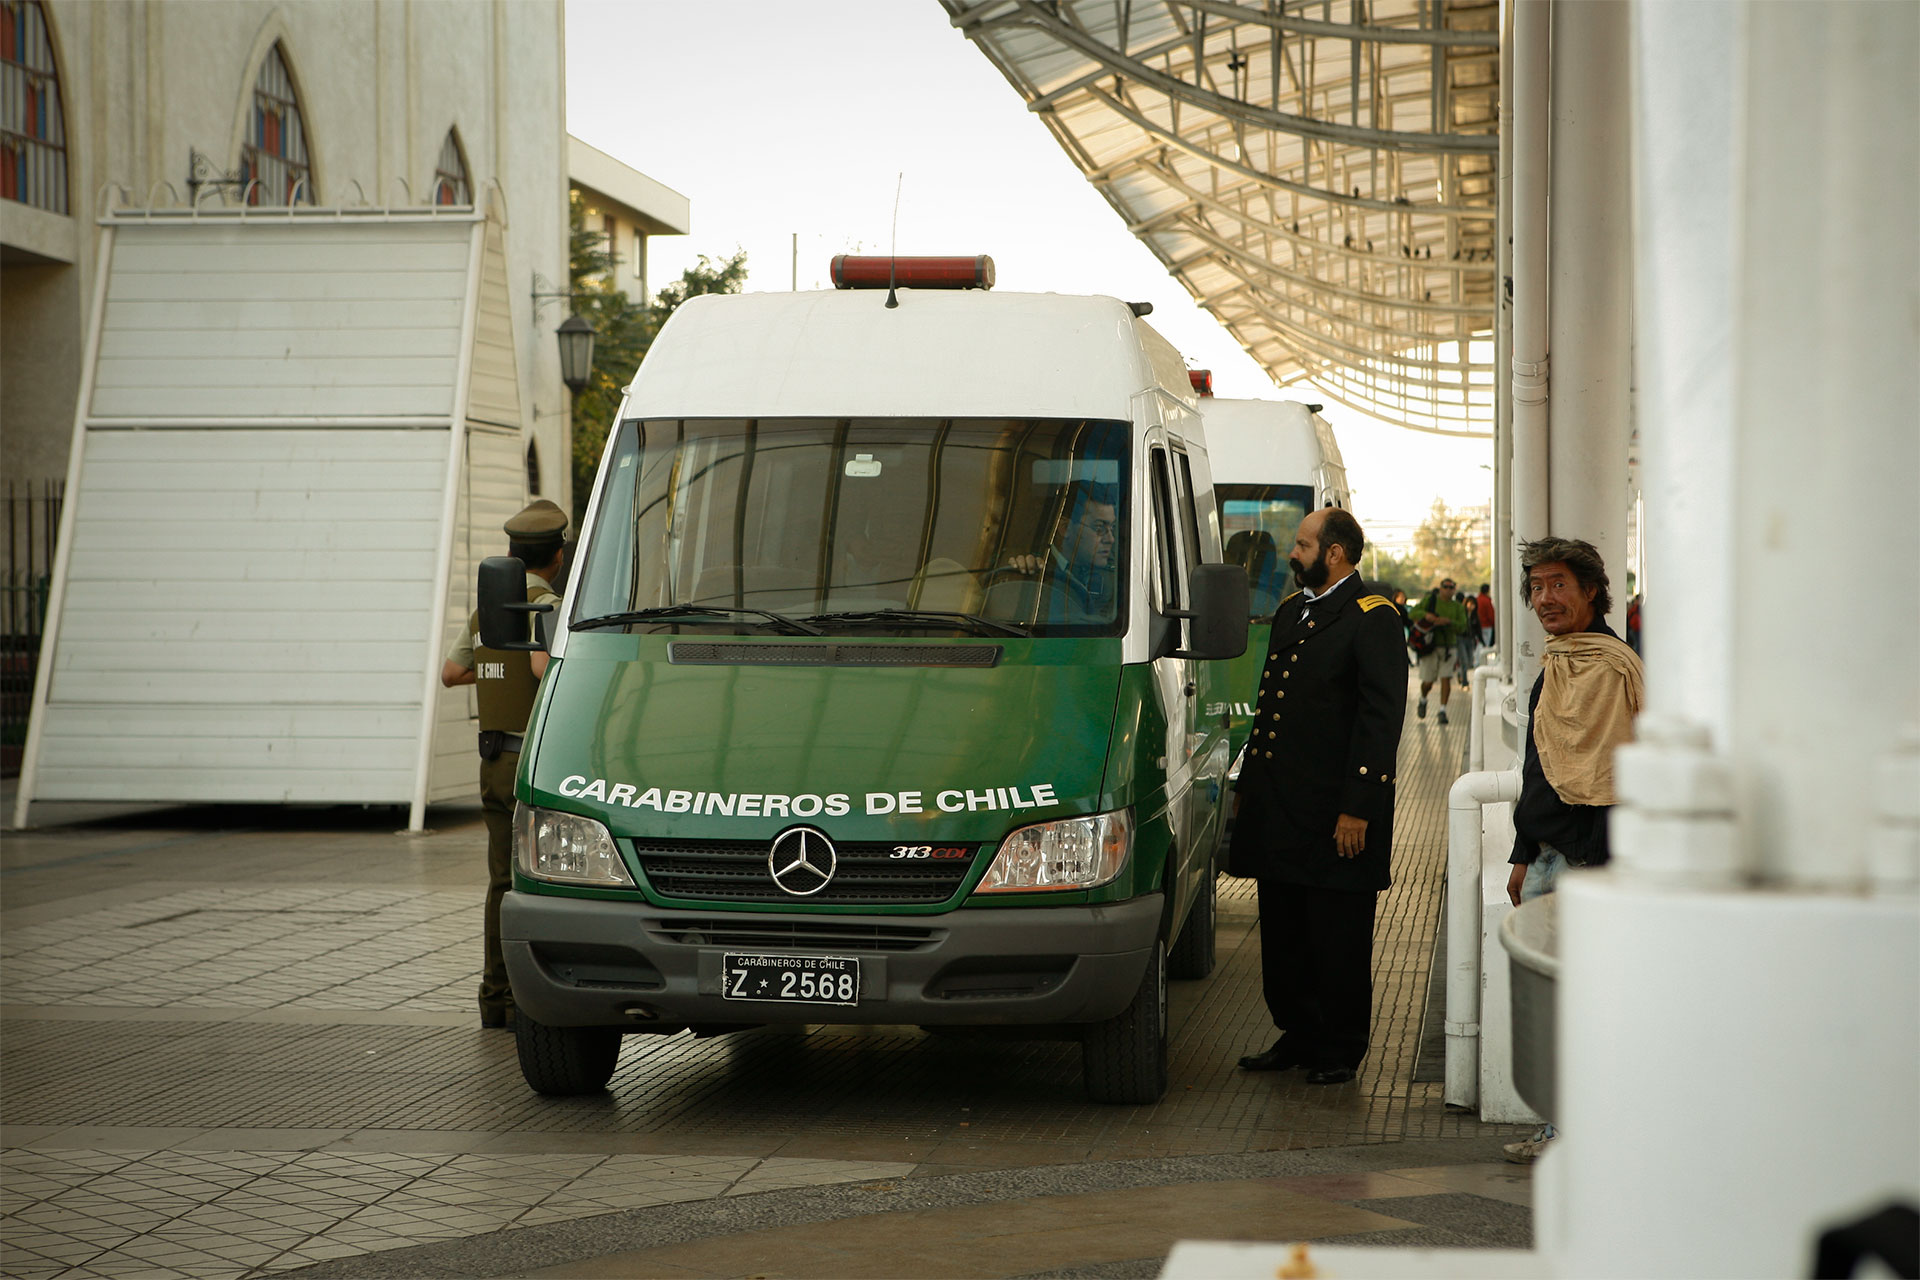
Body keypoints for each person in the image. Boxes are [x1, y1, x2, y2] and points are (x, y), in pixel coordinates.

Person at [1228, 508, 1406, 1085]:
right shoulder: (1291, 612)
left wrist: (1358, 807)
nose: (1292, 553)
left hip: (1337, 813)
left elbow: (1380, 720)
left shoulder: (1371, 618)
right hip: (1282, 807)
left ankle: (1340, 1046)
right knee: (1284, 934)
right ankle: (1299, 1033)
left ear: (1335, 553)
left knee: (1337, 935)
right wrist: (1249, 789)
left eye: (1303, 544)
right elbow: (1273, 711)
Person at [1502, 537, 1644, 1163]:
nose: (1545, 599)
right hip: (1549, 854)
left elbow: (1613, 774)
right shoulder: (1558, 665)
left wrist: (1589, 860)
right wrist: (1522, 849)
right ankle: (1562, 1127)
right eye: (1536, 587)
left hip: (1594, 857)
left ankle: (1588, 1133)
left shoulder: (1613, 666)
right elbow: (1541, 764)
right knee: (1552, 999)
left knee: (1591, 998)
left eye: (1558, 584)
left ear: (1591, 591)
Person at [440, 499, 569, 1029]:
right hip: (528, 766)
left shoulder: (483, 610)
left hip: (492, 761)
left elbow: (451, 673)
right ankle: (534, 999)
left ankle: (497, 999)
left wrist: (497, 672)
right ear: (557, 554)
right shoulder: (547, 606)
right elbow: (544, 667)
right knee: (543, 886)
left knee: (500, 882)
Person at [1003, 488, 1117, 623]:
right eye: (1099, 528)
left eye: (1112, 528)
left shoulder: (1116, 576)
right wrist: (1018, 576)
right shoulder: (1031, 568)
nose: (1110, 539)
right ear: (1065, 528)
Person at [1413, 578, 1470, 724]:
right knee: (1428, 681)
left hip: (1449, 647)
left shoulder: (1457, 607)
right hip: (1430, 647)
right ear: (1441, 588)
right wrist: (1427, 616)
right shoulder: (1430, 600)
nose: (1449, 590)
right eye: (1446, 587)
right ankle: (1423, 698)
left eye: (1452, 587)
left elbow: (1463, 626)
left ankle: (1442, 710)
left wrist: (1448, 622)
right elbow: (1412, 613)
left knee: (1446, 677)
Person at [1475, 582, 1496, 648]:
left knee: (1478, 645)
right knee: (1484, 646)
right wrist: (1493, 624)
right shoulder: (1486, 600)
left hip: (1478, 626)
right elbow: (1491, 615)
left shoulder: (1477, 599)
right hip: (1486, 626)